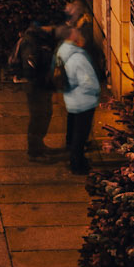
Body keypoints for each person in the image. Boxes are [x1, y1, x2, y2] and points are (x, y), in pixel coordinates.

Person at [55, 23, 101, 174]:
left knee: (74, 131)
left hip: (71, 98)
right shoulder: (78, 58)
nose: (79, 33)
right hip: (83, 101)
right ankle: (78, 164)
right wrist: (97, 92)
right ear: (71, 37)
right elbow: (88, 82)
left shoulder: (62, 51)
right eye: (76, 32)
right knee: (80, 135)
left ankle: (73, 155)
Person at [8, 18, 58, 159]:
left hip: (39, 84)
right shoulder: (32, 41)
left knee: (44, 114)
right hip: (36, 86)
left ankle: (39, 146)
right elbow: (30, 66)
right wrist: (41, 80)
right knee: (39, 116)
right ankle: (35, 151)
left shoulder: (39, 38)